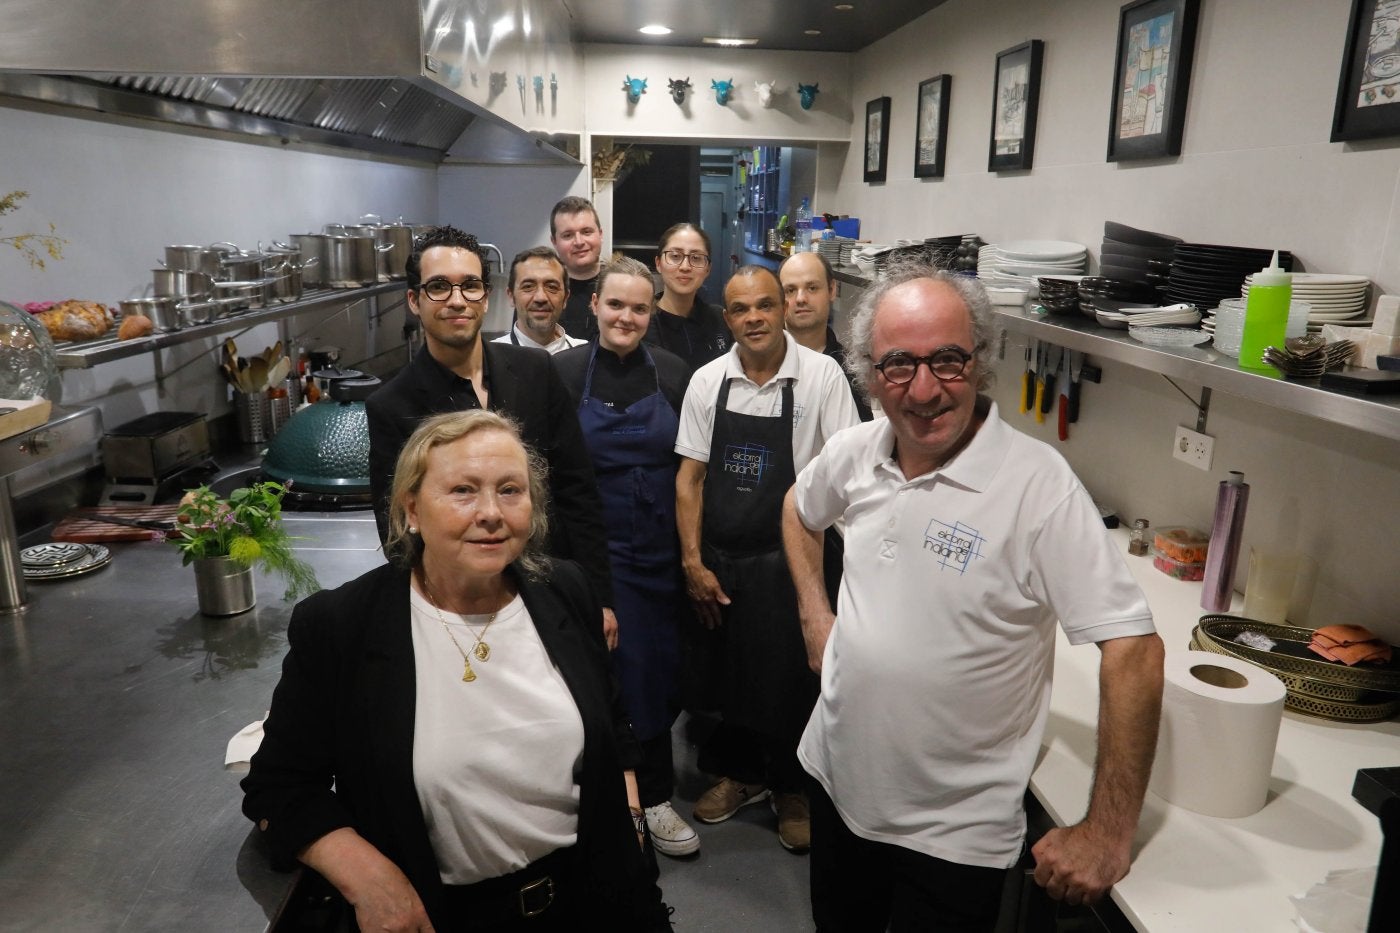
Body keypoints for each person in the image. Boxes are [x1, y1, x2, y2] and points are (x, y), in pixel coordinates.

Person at [781, 264, 1165, 931]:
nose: (925, 389)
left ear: (982, 363)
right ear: (870, 373)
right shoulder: (856, 452)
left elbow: (1133, 649)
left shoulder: (1038, 488)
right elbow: (798, 508)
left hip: (953, 837)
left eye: (949, 360)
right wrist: (815, 612)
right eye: (899, 364)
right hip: (838, 783)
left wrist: (1108, 830)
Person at [242, 410, 671, 931]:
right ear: (412, 509)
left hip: (592, 902)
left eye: (510, 490)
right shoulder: (343, 626)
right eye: (463, 490)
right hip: (444, 915)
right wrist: (372, 879)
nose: (490, 513)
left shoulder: (566, 590)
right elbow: (280, 787)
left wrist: (630, 830)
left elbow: (612, 724)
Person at [674, 265, 861, 853]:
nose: (753, 318)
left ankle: (792, 789)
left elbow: (849, 471)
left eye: (764, 305)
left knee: (790, 680)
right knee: (730, 675)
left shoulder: (822, 376)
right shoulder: (709, 380)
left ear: (783, 308)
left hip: (792, 557)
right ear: (726, 317)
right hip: (724, 559)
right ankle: (744, 777)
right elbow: (690, 479)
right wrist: (692, 561)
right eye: (739, 309)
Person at [367, 226, 618, 647]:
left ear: (485, 295)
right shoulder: (393, 406)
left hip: (550, 588)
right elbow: (399, 534)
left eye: (470, 285)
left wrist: (598, 595)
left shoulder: (537, 372)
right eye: (439, 287)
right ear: (414, 300)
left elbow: (578, 493)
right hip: (460, 608)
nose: (457, 300)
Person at [553, 256, 697, 859]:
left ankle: (656, 795)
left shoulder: (672, 372)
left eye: (640, 307)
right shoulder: (559, 374)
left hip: (656, 551)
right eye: (616, 305)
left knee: (653, 672)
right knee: (591, 675)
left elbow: (694, 469)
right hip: (586, 550)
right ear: (593, 306)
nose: (627, 317)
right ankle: (597, 801)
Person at [779, 250, 872, 421]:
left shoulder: (851, 371)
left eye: (812, 288)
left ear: (832, 290)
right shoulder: (761, 363)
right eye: (790, 290)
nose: (801, 299)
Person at [643, 223, 732, 372]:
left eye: (696, 258)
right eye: (675, 256)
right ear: (658, 263)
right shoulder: (642, 322)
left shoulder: (721, 320)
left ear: (708, 269)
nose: (685, 266)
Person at [492, 246, 586, 354]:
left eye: (551, 287)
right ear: (511, 297)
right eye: (528, 287)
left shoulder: (586, 357)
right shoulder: (490, 358)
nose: (540, 298)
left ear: (565, 298)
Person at [550, 196, 605, 340]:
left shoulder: (619, 285)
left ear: (600, 234)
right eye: (568, 235)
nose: (579, 242)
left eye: (587, 232)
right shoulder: (542, 292)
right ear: (554, 242)